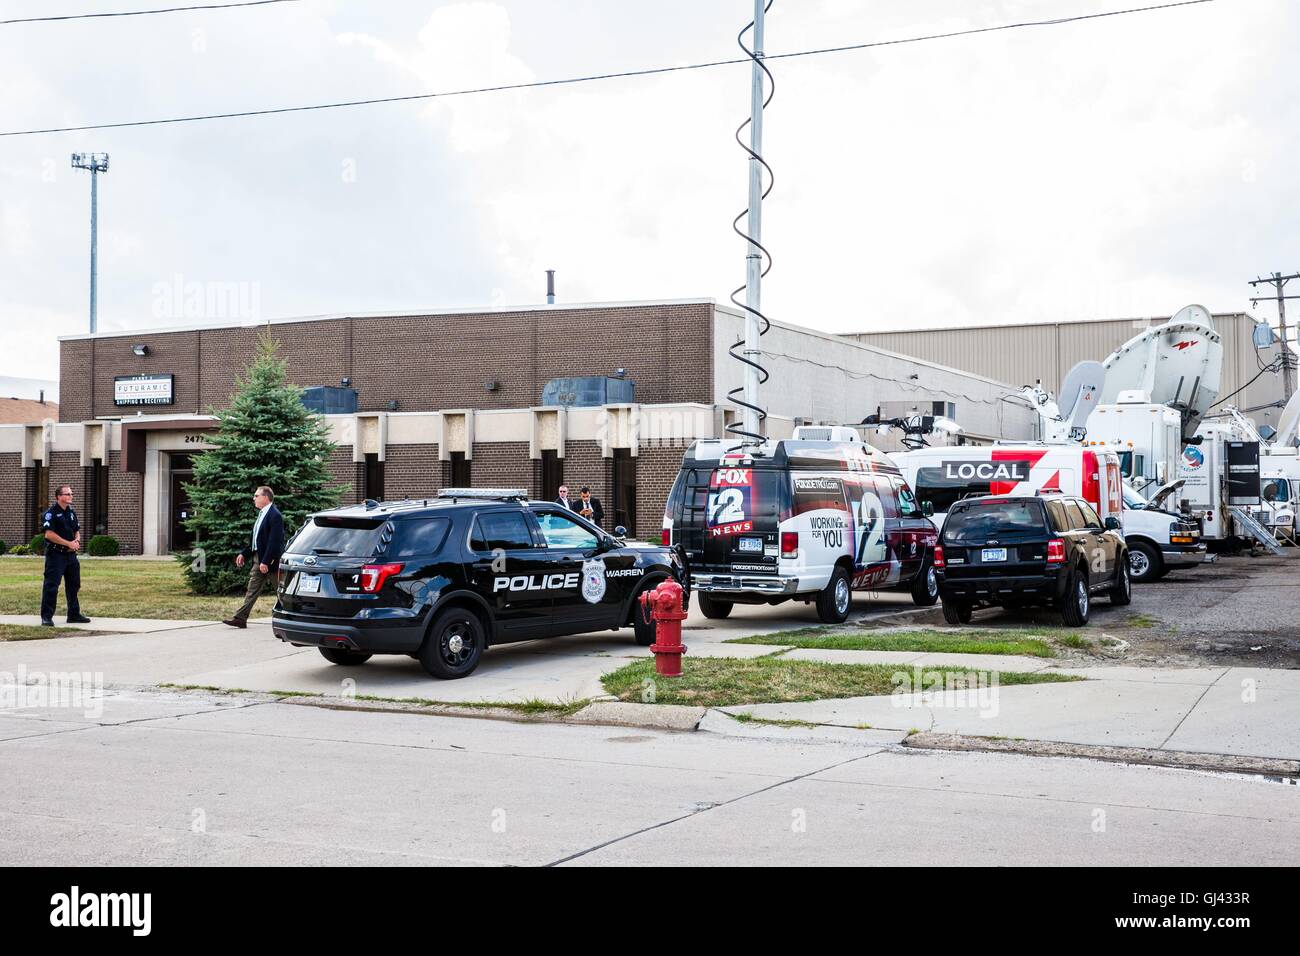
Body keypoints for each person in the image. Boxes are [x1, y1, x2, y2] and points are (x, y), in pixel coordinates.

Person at [222, 485, 285, 629]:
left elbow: (275, 542)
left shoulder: (275, 515)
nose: (254, 498)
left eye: (256, 496)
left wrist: (266, 561)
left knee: (281, 591)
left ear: (265, 497)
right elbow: (256, 539)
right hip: (259, 559)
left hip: (271, 561)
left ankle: (293, 618)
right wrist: (244, 554)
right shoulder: (262, 514)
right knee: (252, 589)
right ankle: (240, 618)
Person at [40, 484, 91, 627]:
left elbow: (77, 530)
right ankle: (47, 617)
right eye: (67, 494)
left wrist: (77, 541)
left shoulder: (71, 512)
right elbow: (49, 534)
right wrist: (68, 543)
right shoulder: (50, 513)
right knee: (51, 586)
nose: (71, 496)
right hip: (56, 555)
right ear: (59, 497)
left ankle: (74, 614)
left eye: (71, 493)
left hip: (71, 556)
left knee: (74, 585)